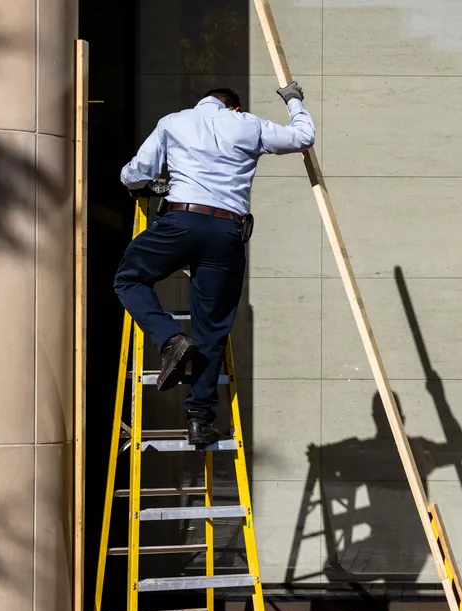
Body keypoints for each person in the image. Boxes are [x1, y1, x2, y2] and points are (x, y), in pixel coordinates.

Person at [114, 82, 315, 445]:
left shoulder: (174, 122)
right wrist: (293, 100)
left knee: (129, 279)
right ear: (234, 108)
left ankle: (170, 339)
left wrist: (153, 184)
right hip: (226, 231)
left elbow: (134, 173)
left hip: (181, 222)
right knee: (212, 327)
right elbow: (303, 137)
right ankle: (198, 419)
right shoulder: (248, 125)